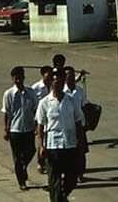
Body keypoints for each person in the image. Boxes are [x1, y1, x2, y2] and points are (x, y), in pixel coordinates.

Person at [36, 68, 84, 202]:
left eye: (61, 82)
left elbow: (78, 122)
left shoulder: (71, 100)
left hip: (69, 144)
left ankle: (62, 195)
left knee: (72, 177)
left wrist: (80, 142)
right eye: (55, 81)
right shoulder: (44, 103)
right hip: (53, 146)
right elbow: (40, 126)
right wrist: (41, 146)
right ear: (51, 83)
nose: (58, 84)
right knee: (54, 179)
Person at [2, 66, 38, 190]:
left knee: (31, 150)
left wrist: (37, 126)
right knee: (17, 156)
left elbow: (35, 109)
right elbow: (7, 113)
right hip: (15, 130)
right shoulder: (9, 94)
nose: (18, 81)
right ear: (13, 79)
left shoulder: (30, 92)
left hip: (28, 128)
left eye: (21, 78)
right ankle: (21, 181)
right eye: (16, 78)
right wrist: (6, 130)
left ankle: (23, 167)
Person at [64, 65, 88, 182]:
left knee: (81, 151)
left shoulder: (80, 91)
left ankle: (80, 173)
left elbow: (83, 106)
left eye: (73, 75)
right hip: (67, 126)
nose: (71, 78)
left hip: (79, 125)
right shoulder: (61, 92)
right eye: (68, 76)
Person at [32, 65, 54, 174]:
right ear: (43, 75)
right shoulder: (36, 88)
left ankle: (49, 163)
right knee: (42, 142)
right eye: (48, 76)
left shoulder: (54, 86)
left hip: (52, 119)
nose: (50, 78)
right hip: (40, 119)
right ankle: (40, 162)